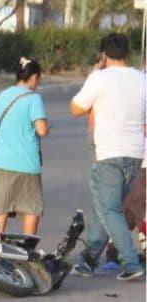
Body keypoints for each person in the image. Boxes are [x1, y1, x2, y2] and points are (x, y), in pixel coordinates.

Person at [70, 33, 146, 281]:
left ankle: (130, 262)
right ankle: (88, 260)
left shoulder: (99, 78)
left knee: (109, 209)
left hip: (109, 153)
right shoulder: (141, 79)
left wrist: (95, 75)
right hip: (135, 154)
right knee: (106, 207)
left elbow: (76, 108)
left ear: (104, 54)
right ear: (127, 53)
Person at [0, 57, 49, 235]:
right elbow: (42, 130)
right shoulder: (33, 98)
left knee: (1, 209)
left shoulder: (2, 96)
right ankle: (27, 249)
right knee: (31, 208)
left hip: (0, 162)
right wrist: (47, 128)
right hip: (26, 163)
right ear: (34, 77)